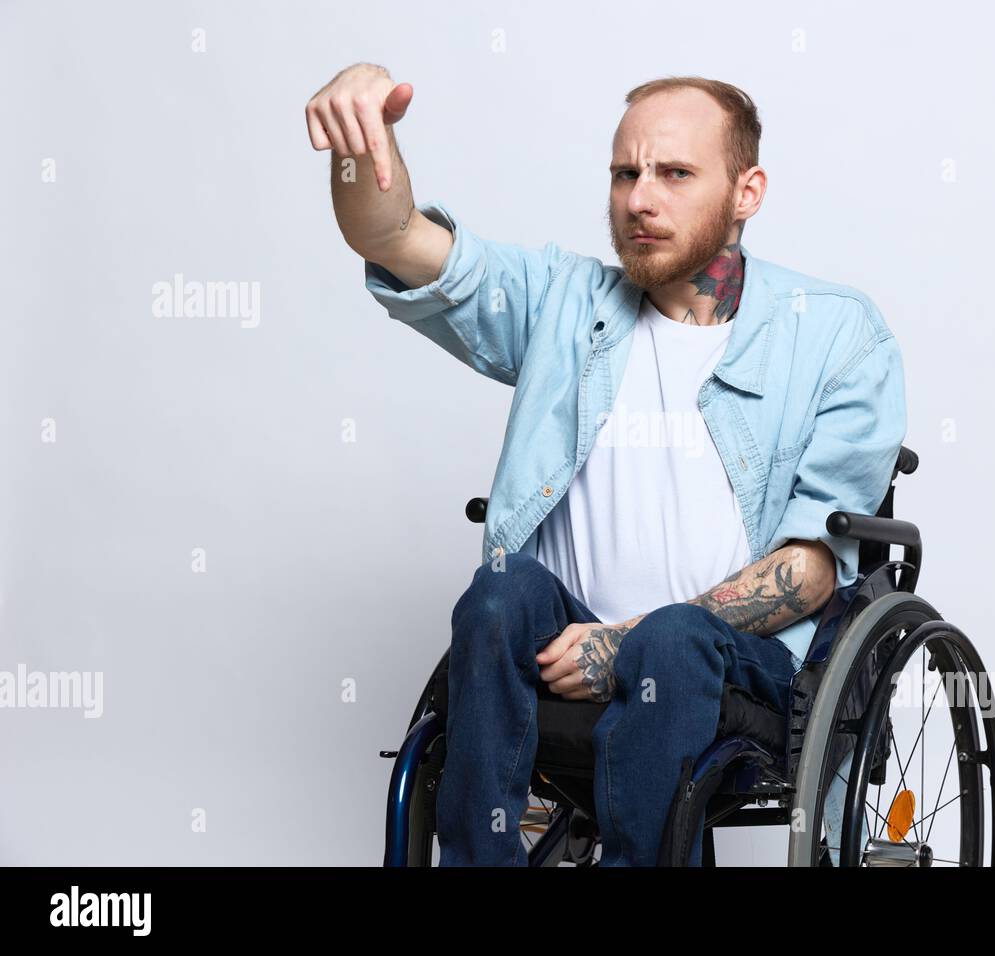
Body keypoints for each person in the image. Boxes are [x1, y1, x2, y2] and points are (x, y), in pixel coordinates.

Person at [305, 64, 908, 866]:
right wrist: (359, 145)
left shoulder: (836, 334)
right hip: (561, 639)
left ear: (747, 190)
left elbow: (808, 573)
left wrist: (623, 645)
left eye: (675, 173)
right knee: (499, 595)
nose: (640, 198)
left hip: (738, 674)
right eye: (626, 173)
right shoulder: (562, 302)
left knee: (671, 641)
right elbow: (393, 237)